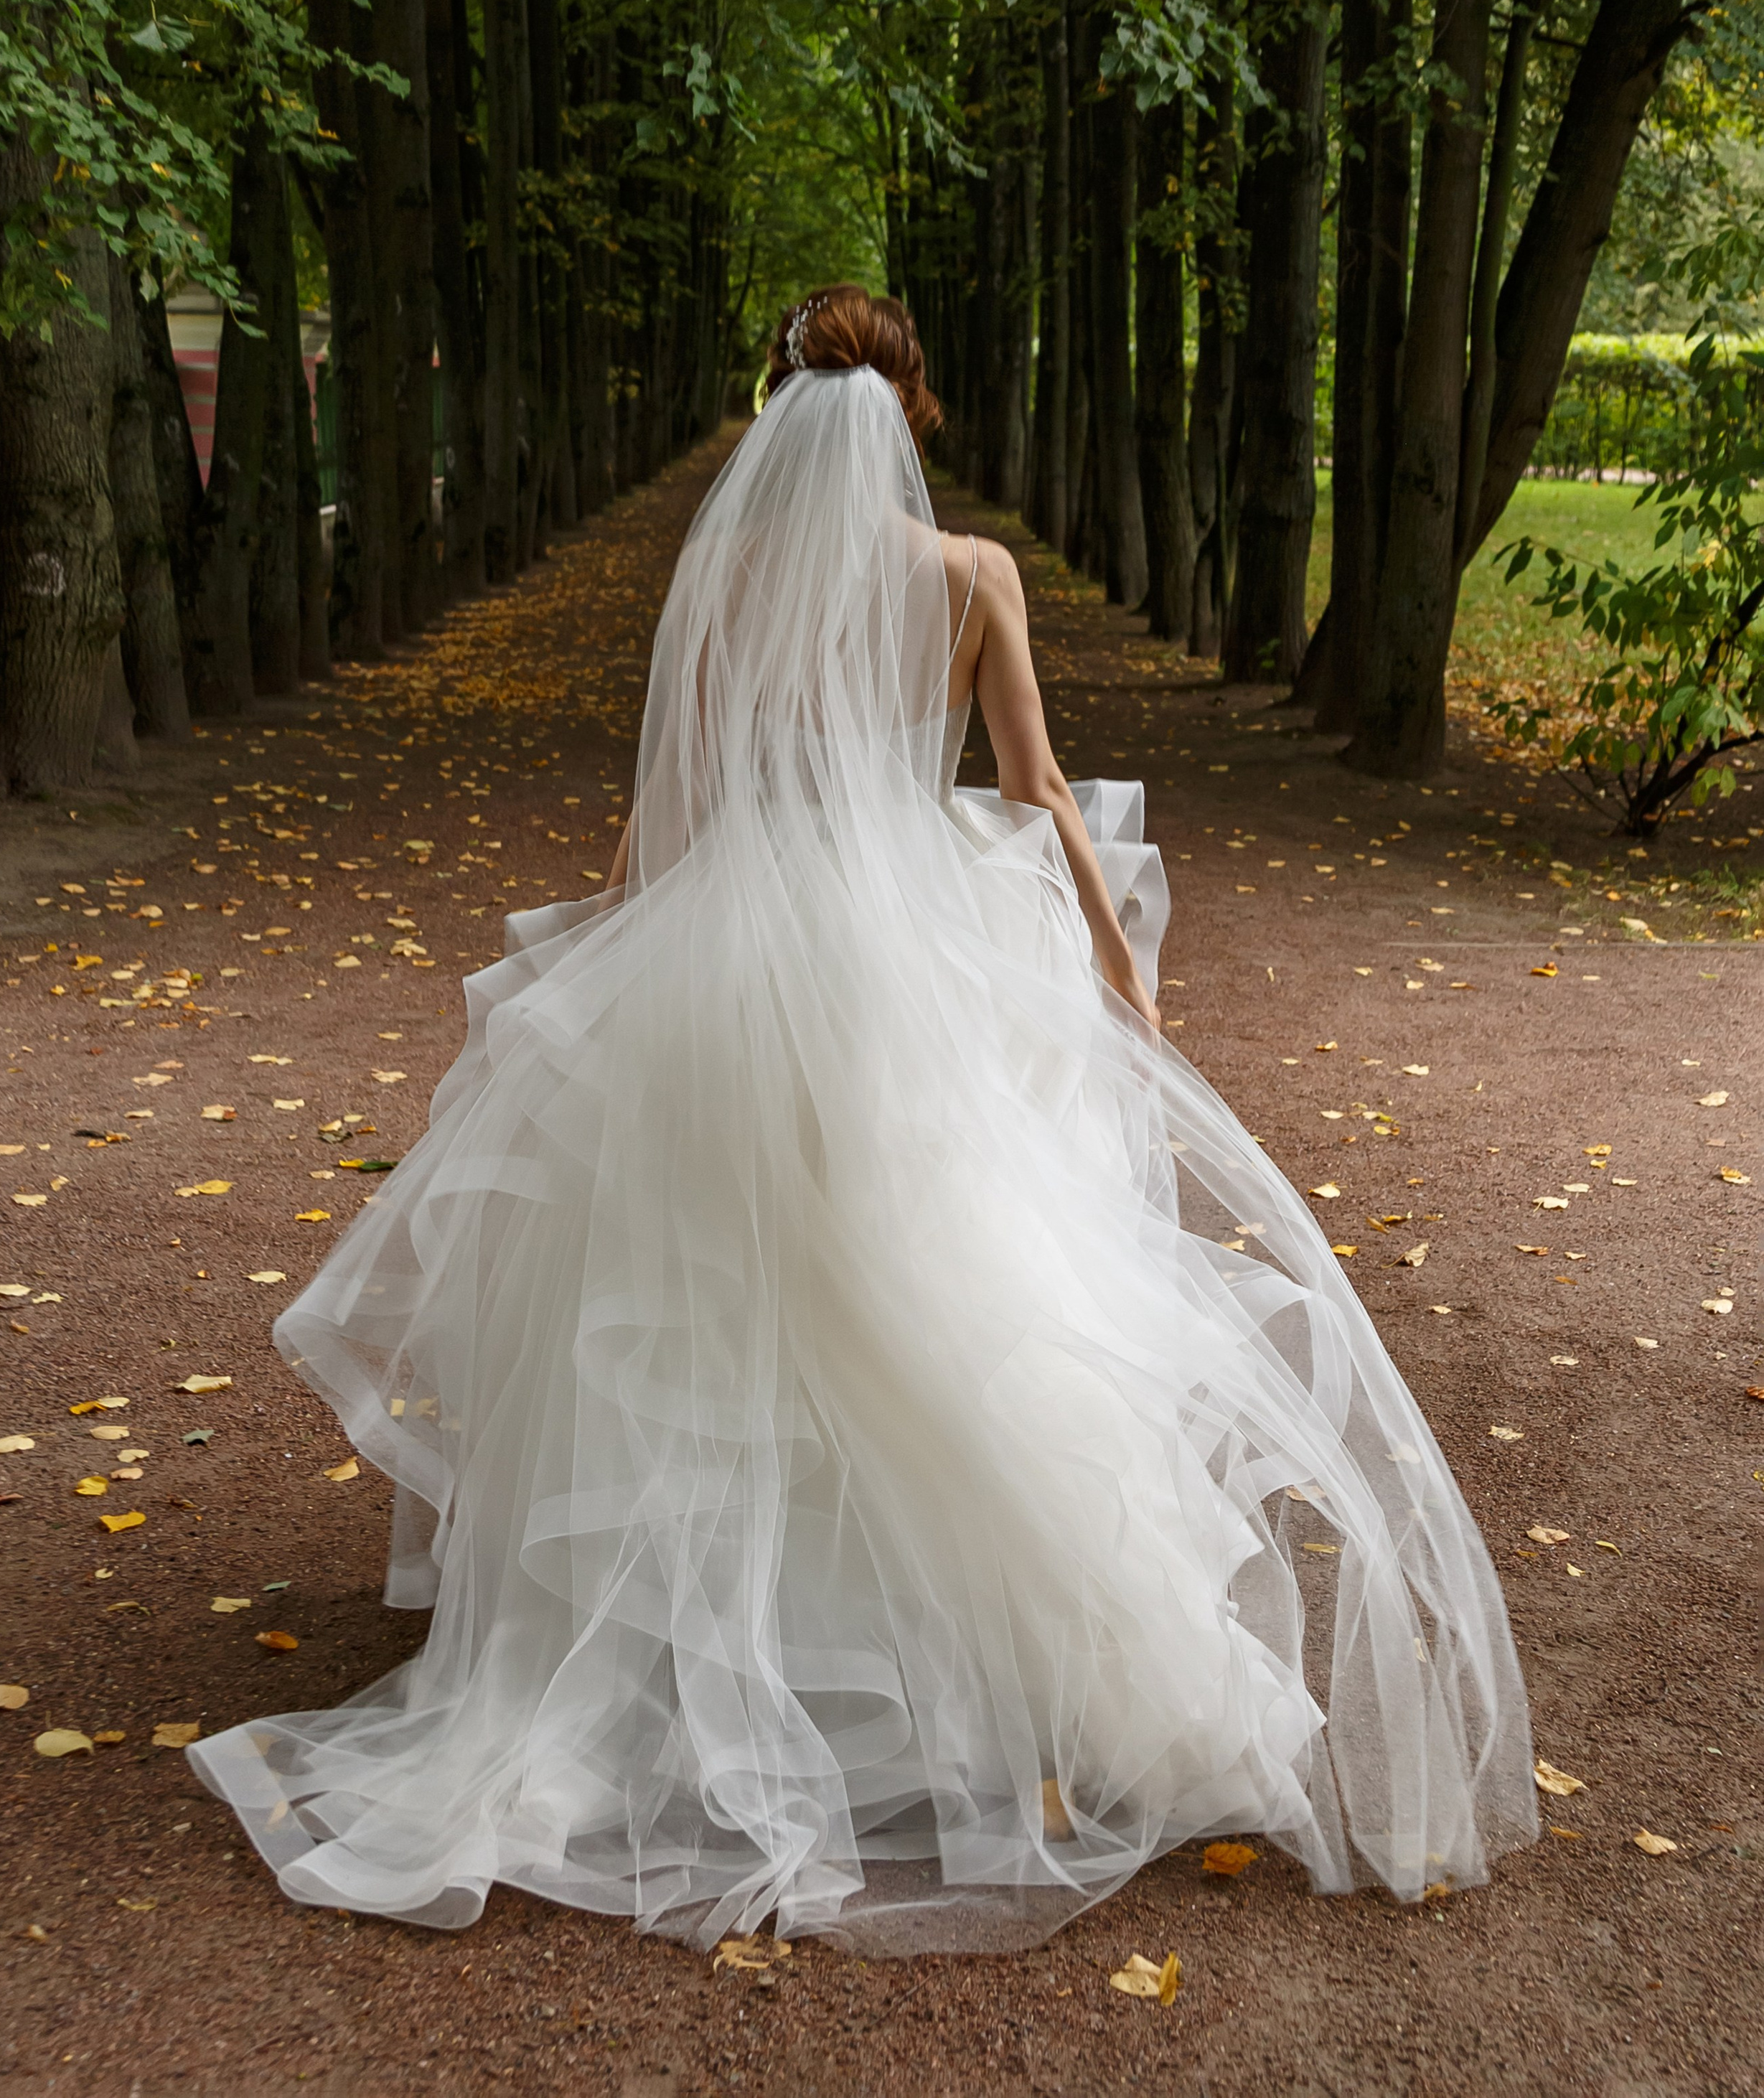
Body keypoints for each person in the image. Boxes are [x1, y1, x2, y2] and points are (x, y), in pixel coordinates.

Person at [189, 284, 1536, 1954]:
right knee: (942, 1275)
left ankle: (702, 1663)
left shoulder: (729, 571)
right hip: (913, 946)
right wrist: (1123, 979)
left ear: (778, 416)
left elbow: (668, 794)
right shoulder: (969, 577)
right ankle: (949, 1674)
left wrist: (622, 942)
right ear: (908, 415)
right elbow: (1036, 793)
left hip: (735, 938)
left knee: (716, 1302)